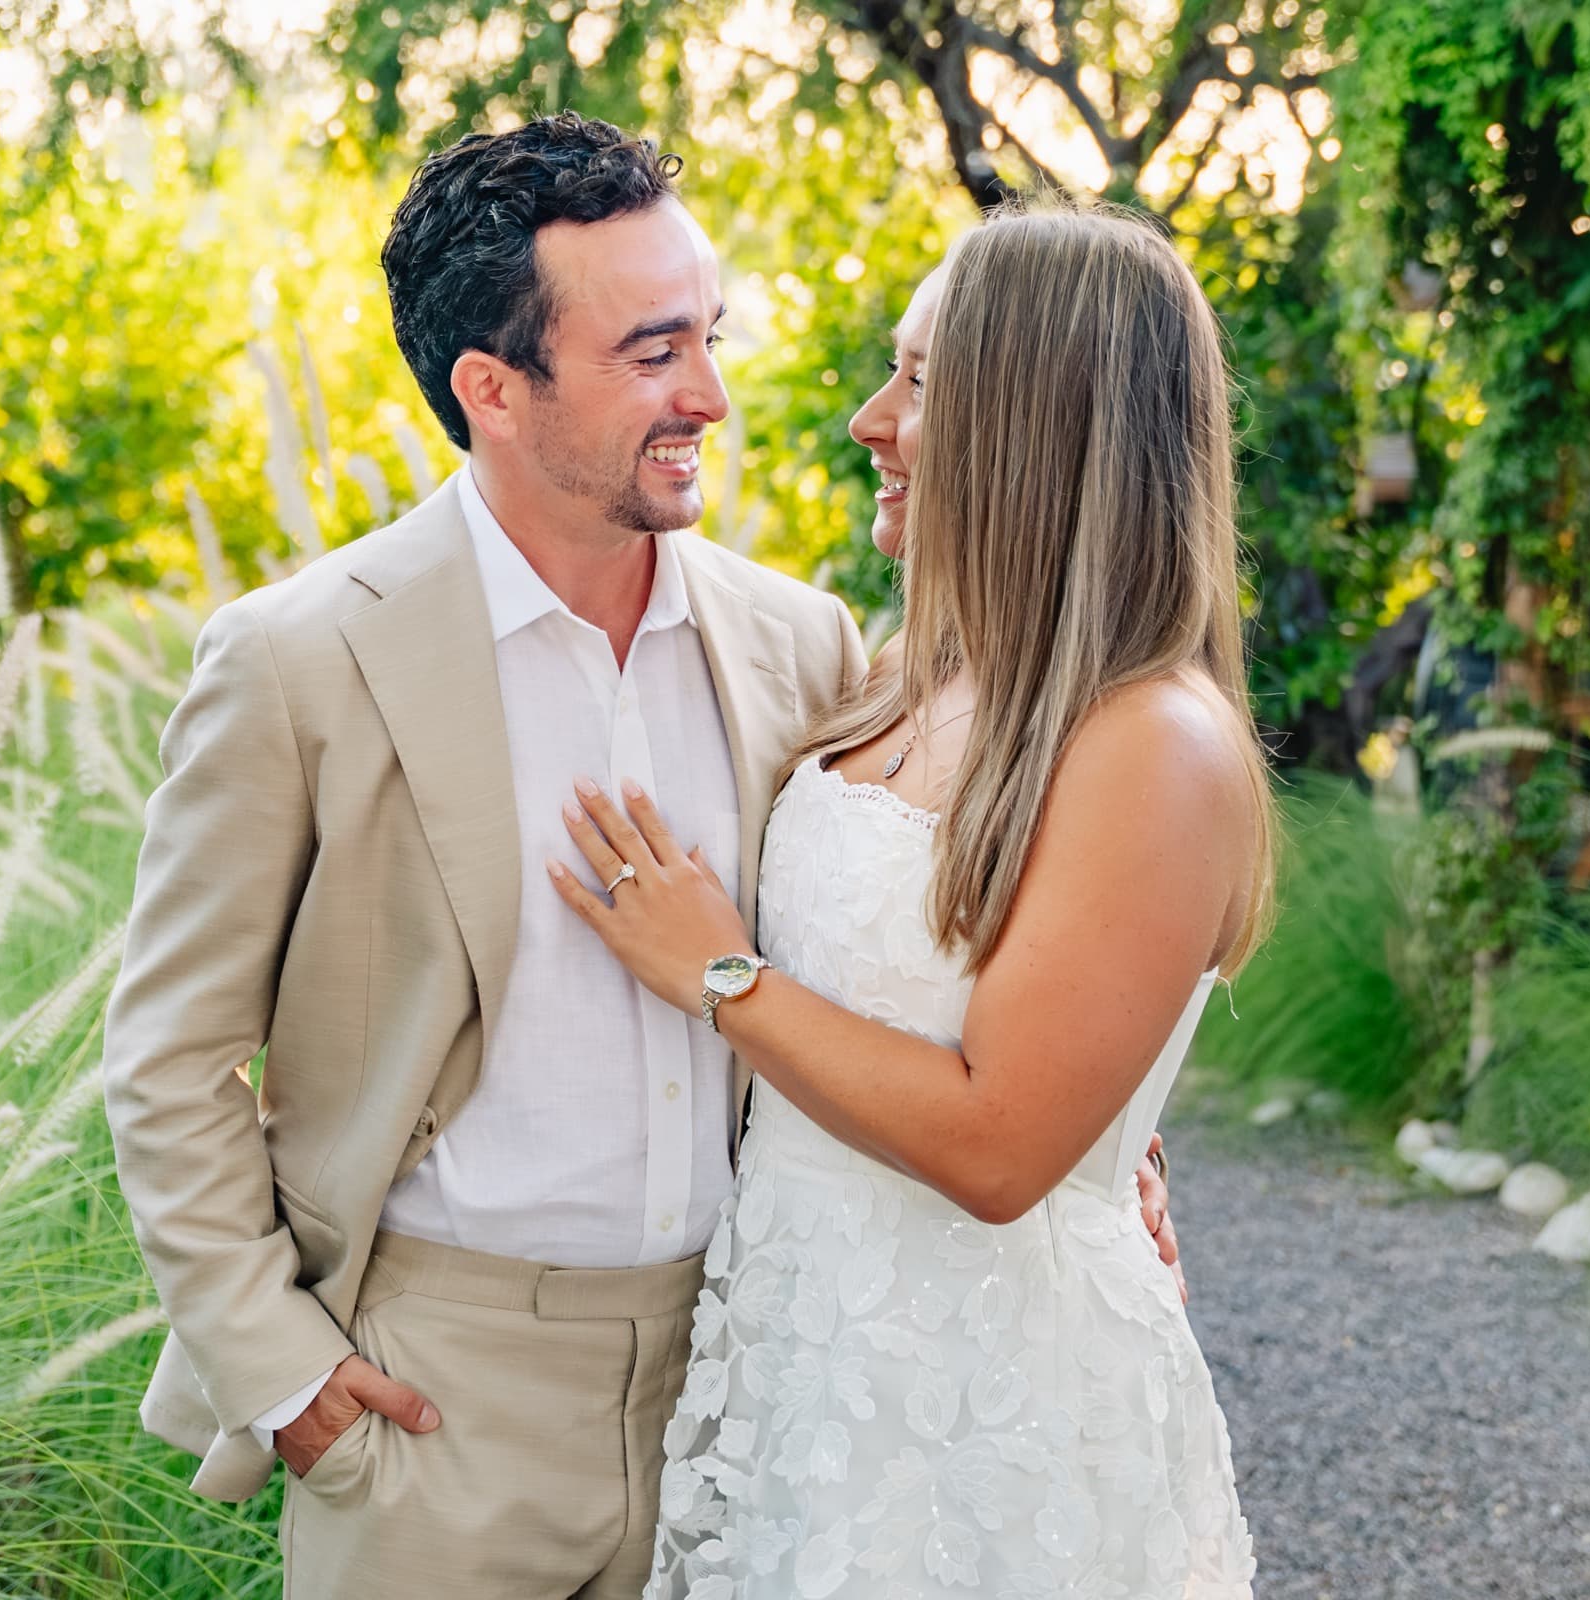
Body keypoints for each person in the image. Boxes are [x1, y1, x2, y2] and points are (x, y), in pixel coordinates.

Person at [99, 114, 1180, 1600]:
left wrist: (1096, 1119)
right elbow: (169, 1058)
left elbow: (937, 932)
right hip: (434, 1401)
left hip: (754, 1387)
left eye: (710, 338)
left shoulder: (805, 648)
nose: (713, 398)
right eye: (654, 353)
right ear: (494, 387)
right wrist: (286, 1378)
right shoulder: (300, 662)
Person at [549, 199, 1272, 1596]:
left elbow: (1005, 1149)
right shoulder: (908, 676)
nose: (873, 418)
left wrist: (721, 977)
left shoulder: (1153, 741)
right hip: (814, 1372)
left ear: (1037, 420)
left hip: (993, 1414)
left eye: (923, 381)